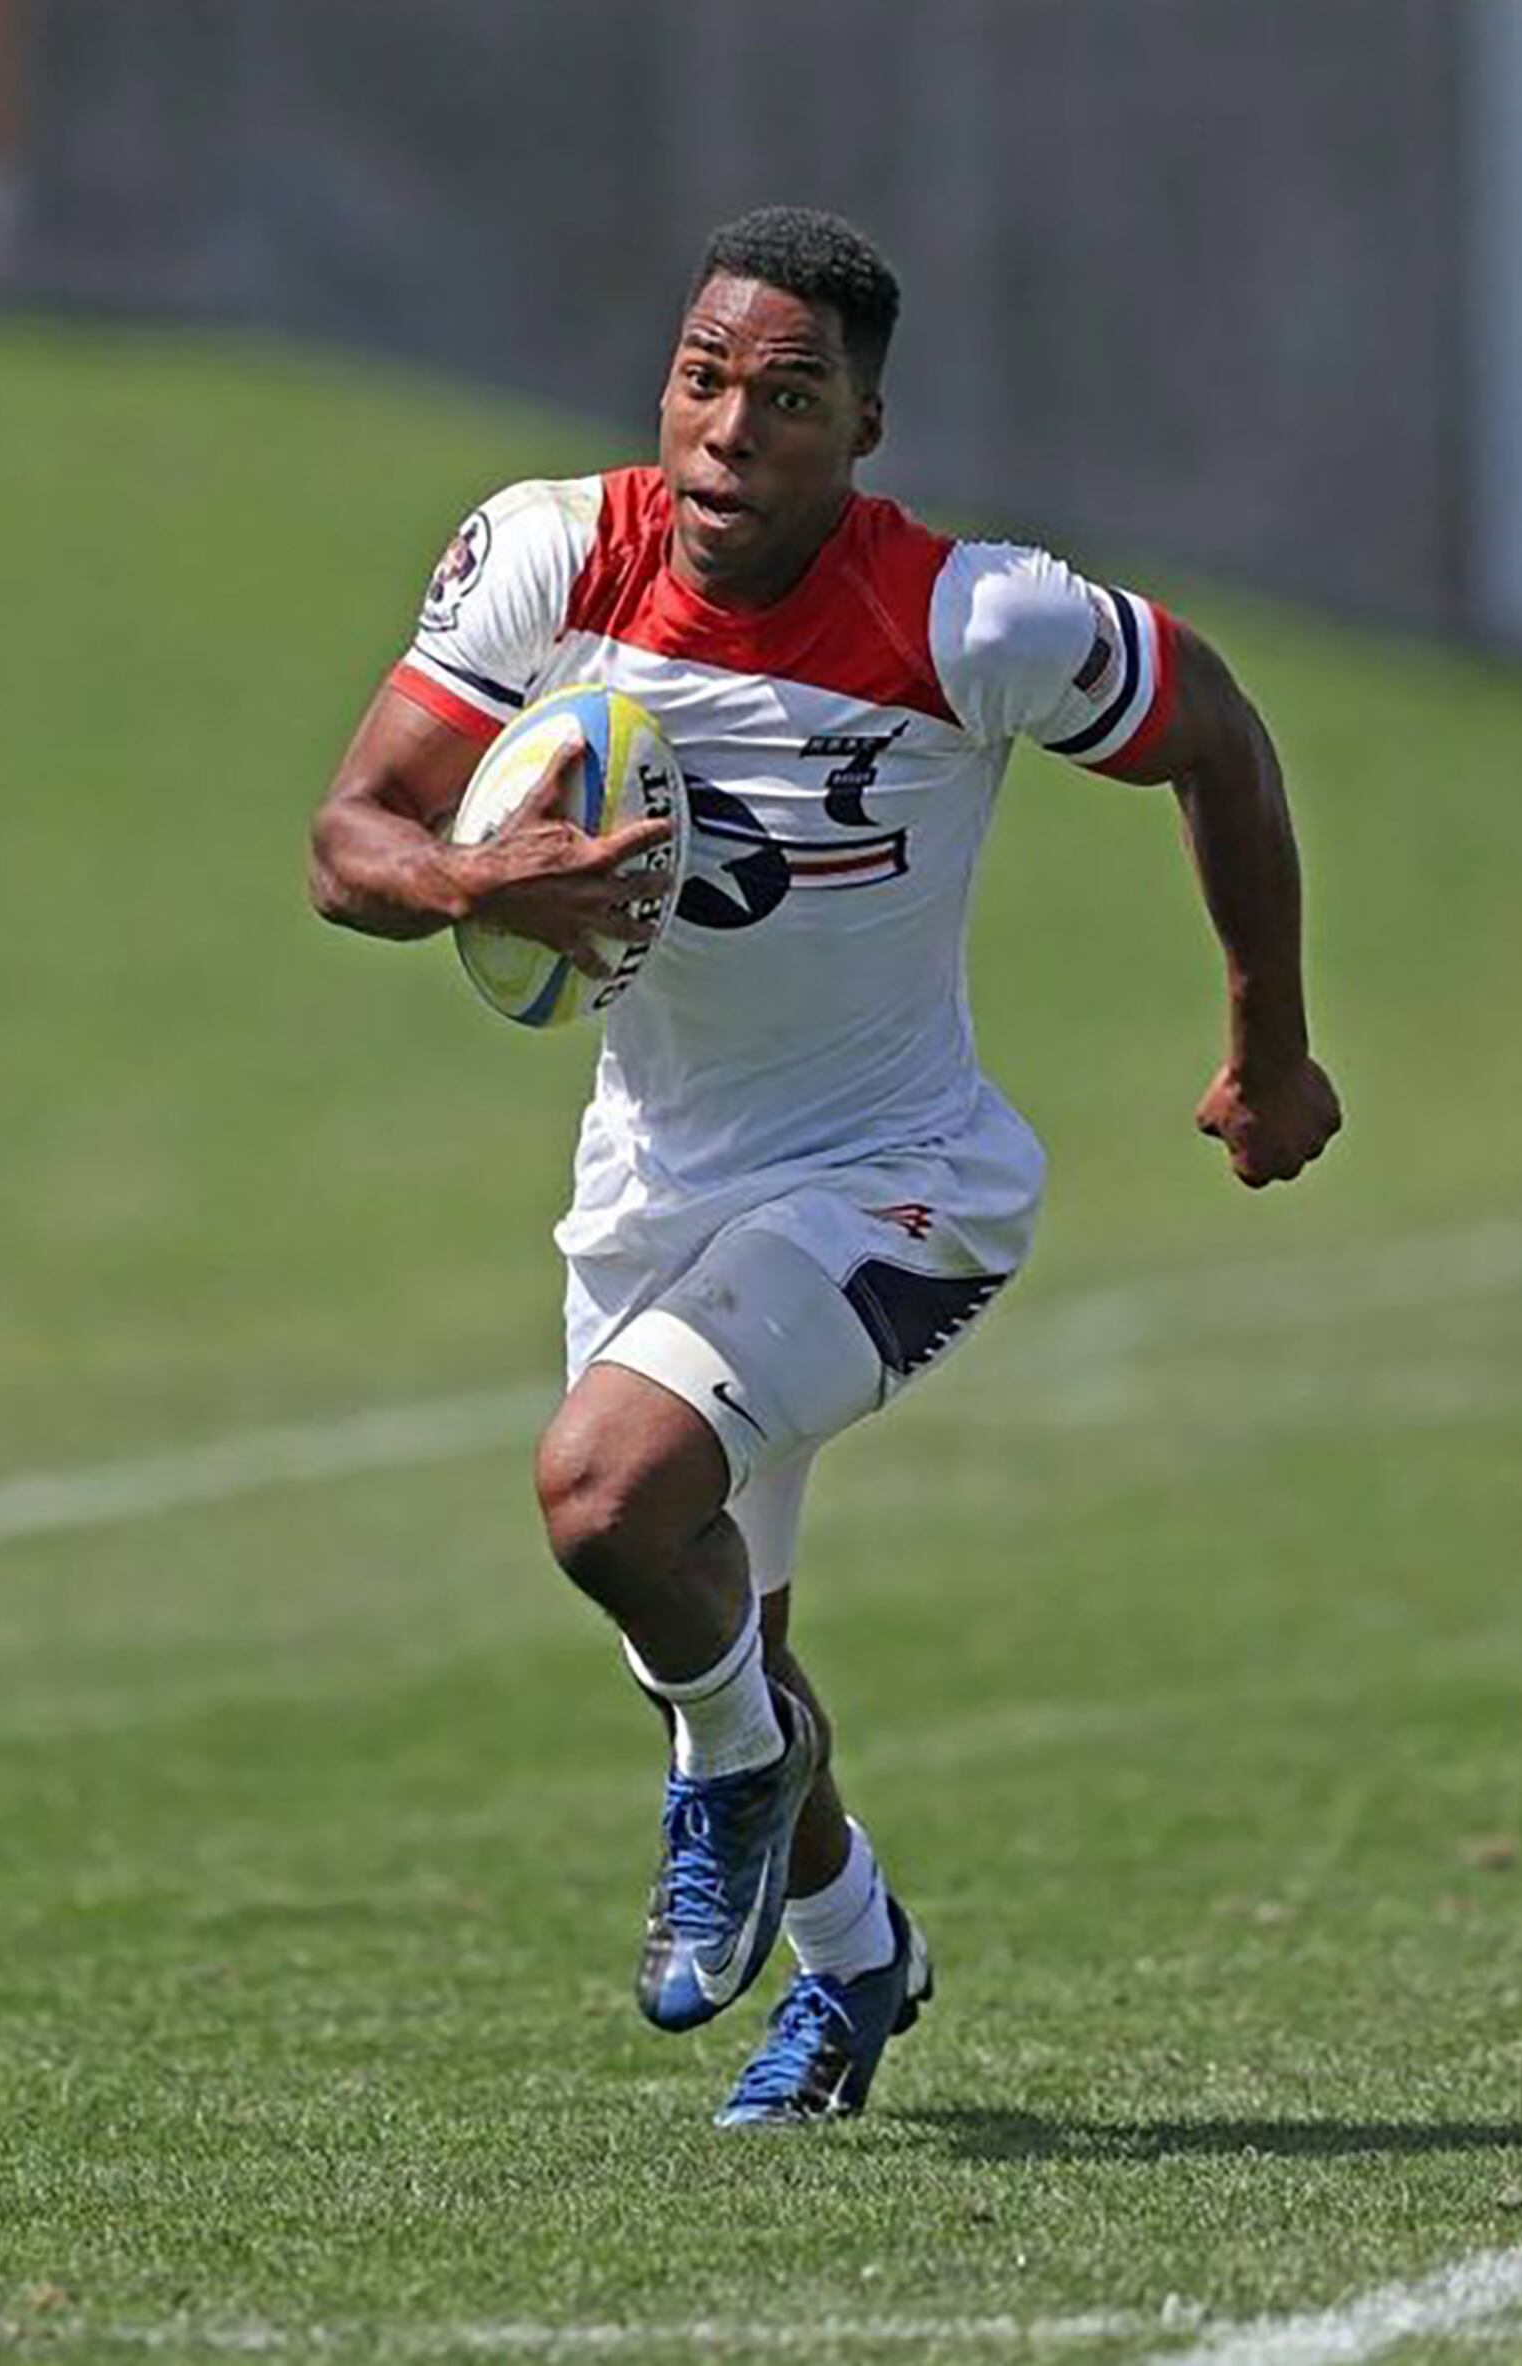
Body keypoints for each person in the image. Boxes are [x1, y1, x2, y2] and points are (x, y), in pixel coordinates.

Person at [309, 205, 1342, 2127]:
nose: (727, 433)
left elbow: (1223, 735)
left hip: (901, 1184)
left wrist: (1269, 1041)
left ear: (866, 424)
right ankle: (862, 1958)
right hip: (654, 1192)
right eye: (704, 380)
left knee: (606, 1499)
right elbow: (350, 831)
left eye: (787, 400)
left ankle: (725, 1779)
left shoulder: (979, 622)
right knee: (717, 1629)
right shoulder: (554, 554)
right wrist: (478, 874)